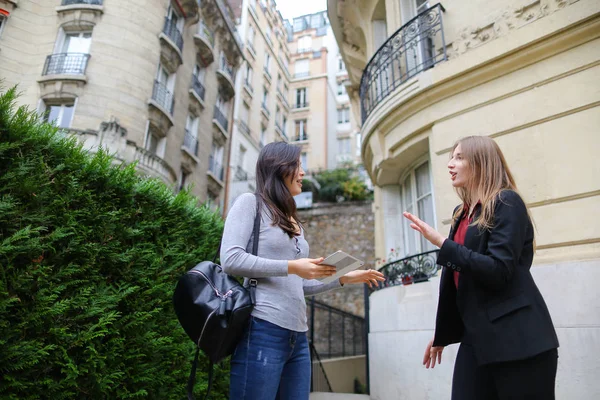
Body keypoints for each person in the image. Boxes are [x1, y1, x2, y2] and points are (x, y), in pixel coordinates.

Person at [221, 142, 384, 400]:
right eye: (297, 165)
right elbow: (230, 258)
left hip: (298, 337)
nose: (303, 172)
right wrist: (292, 267)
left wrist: (341, 277)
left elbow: (300, 285)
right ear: (279, 168)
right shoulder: (249, 204)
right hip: (262, 328)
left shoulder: (294, 222)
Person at [403, 136, 559, 400]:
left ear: (481, 162)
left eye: (459, 157)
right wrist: (443, 333)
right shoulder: (462, 213)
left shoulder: (506, 202)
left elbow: (498, 271)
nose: (450, 164)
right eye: (451, 157)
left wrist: (441, 242)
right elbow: (459, 282)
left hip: (521, 343)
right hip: (478, 340)